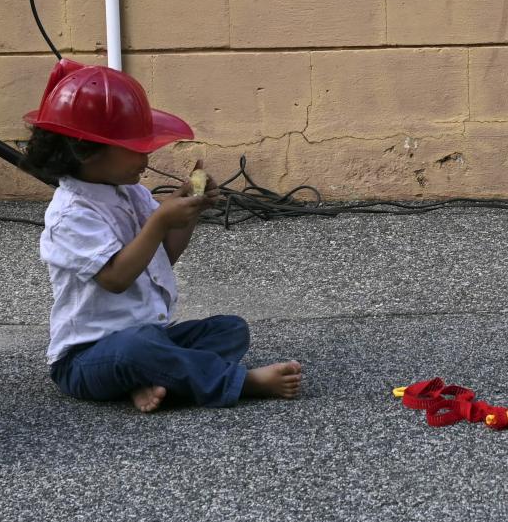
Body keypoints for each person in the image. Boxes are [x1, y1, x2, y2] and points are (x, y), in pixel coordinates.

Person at [23, 60, 305, 413]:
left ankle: (152, 381)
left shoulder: (129, 192)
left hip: (150, 338)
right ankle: (240, 382)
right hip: (87, 358)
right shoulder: (71, 214)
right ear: (87, 150)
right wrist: (158, 221)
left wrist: (187, 212)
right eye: (136, 147)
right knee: (137, 349)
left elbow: (163, 256)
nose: (147, 156)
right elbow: (116, 278)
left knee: (230, 330)